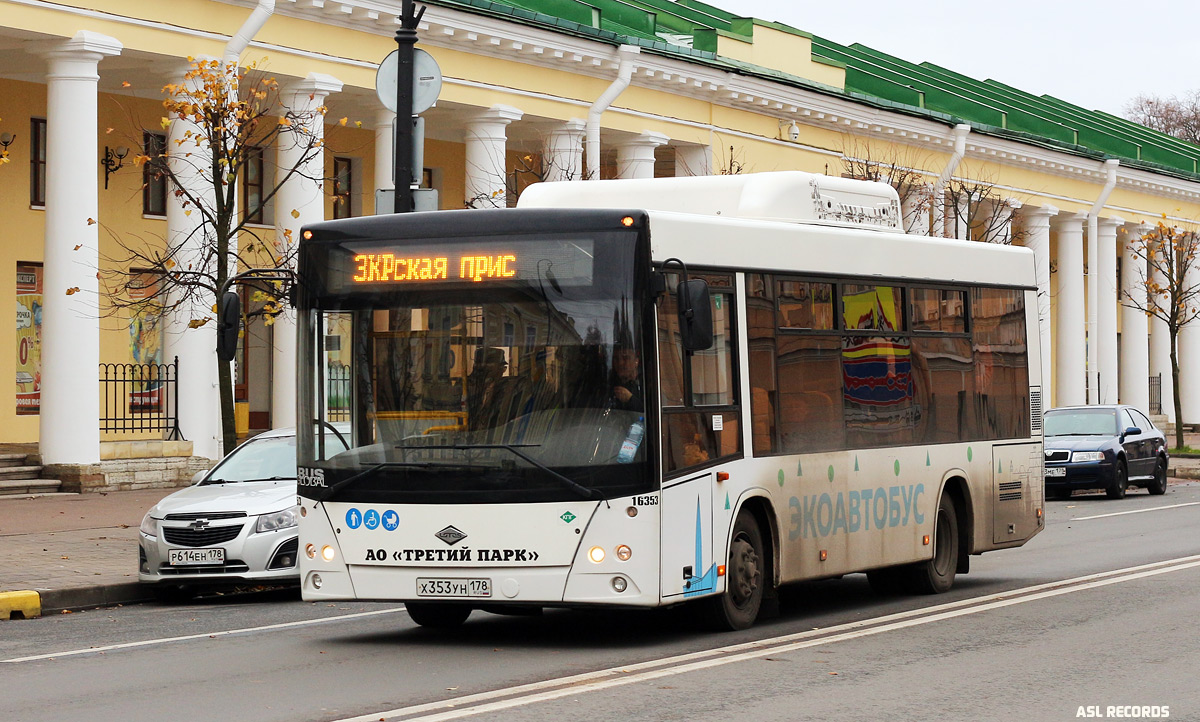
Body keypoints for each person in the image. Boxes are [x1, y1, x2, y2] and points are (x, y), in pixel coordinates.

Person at [611, 346, 644, 412]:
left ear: (636, 361)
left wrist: (630, 399)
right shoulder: (609, 383)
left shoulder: (648, 383)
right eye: (616, 359)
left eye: (625, 358)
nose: (620, 363)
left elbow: (654, 414)